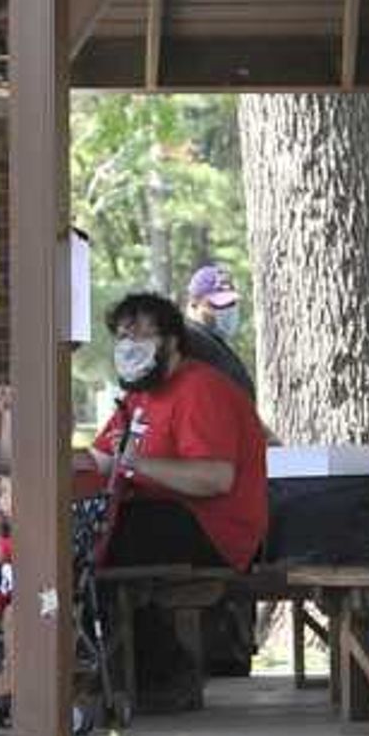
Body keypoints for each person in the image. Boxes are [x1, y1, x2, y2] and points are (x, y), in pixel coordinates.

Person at [81, 291, 272, 706]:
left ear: (170, 341)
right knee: (82, 537)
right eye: (121, 336)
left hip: (214, 528)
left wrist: (136, 465)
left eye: (140, 334)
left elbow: (215, 478)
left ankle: (144, 673)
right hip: (159, 517)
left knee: (101, 544)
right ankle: (138, 672)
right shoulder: (137, 398)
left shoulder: (201, 389)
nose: (128, 345)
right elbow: (97, 461)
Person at [181, 263, 253, 388]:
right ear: (194, 303)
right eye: (218, 304)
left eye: (231, 303)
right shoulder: (191, 342)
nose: (226, 311)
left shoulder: (214, 343)